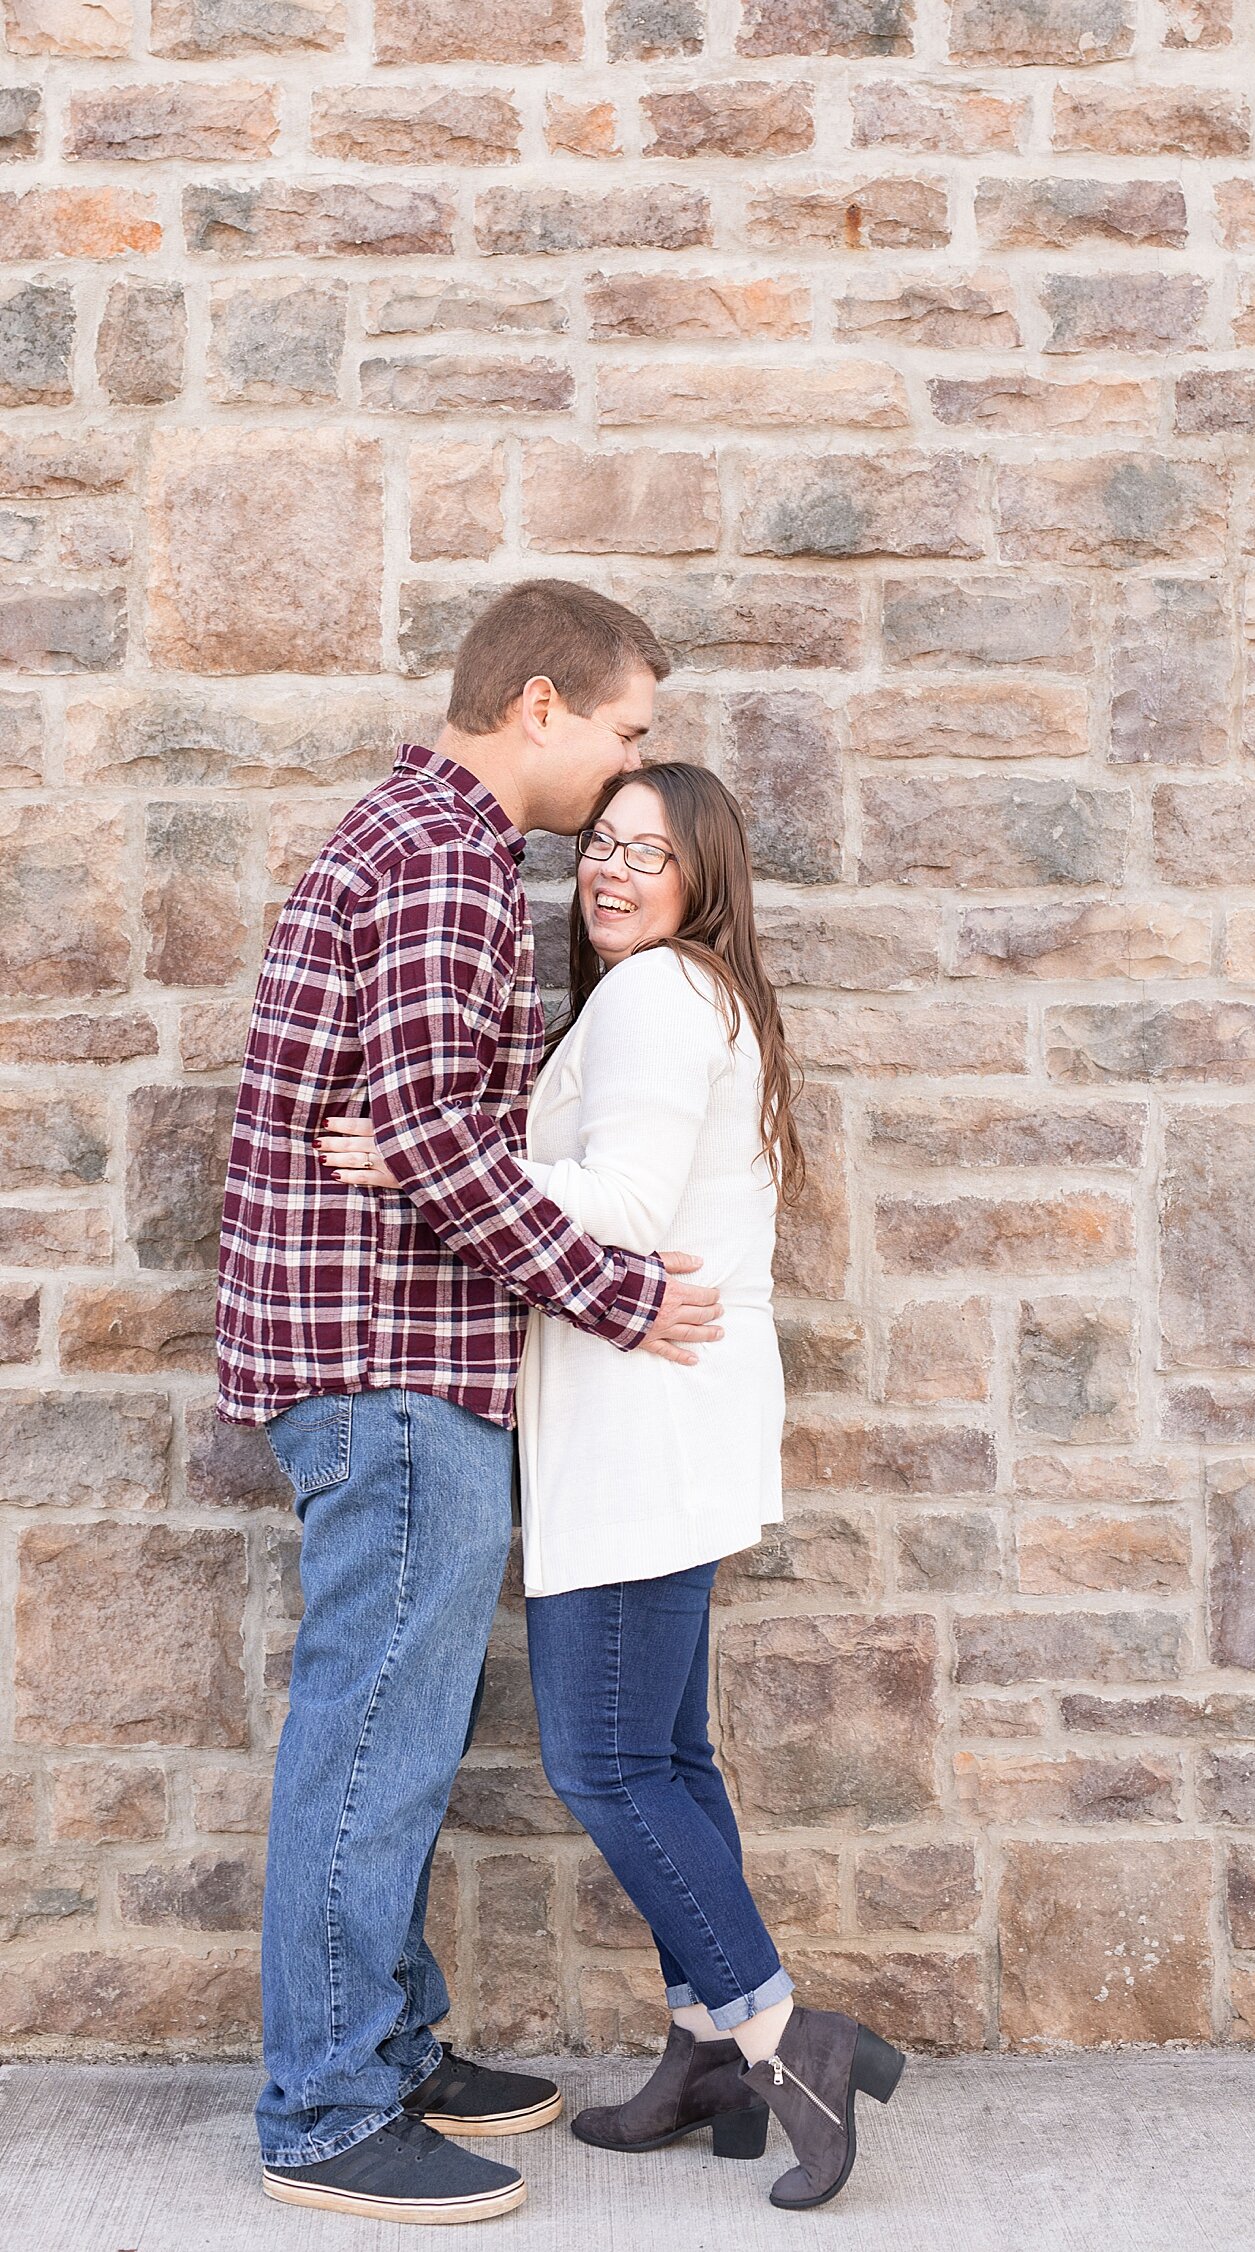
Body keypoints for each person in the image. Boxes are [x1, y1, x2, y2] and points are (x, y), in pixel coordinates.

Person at [321, 762, 905, 2212]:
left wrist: (420, 1161)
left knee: (603, 1759)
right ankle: (706, 2049)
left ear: (708, 876)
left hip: (643, 1428)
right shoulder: (680, 996)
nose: (613, 869)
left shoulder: (654, 996)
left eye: (651, 850)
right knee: (671, 1755)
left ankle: (781, 2032)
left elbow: (630, 1208)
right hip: (672, 1422)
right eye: (602, 844)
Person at [215, 580, 727, 2226]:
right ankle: (327, 2106)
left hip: (387, 1357)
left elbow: (425, 1129)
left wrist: (448, 1148)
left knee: (400, 1735)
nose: (628, 763)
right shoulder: (444, 857)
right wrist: (627, 1296)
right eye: (624, 730)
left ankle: (394, 2041)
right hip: (389, 1365)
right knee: (373, 1732)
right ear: (539, 708)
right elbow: (437, 1139)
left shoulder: (412, 838)